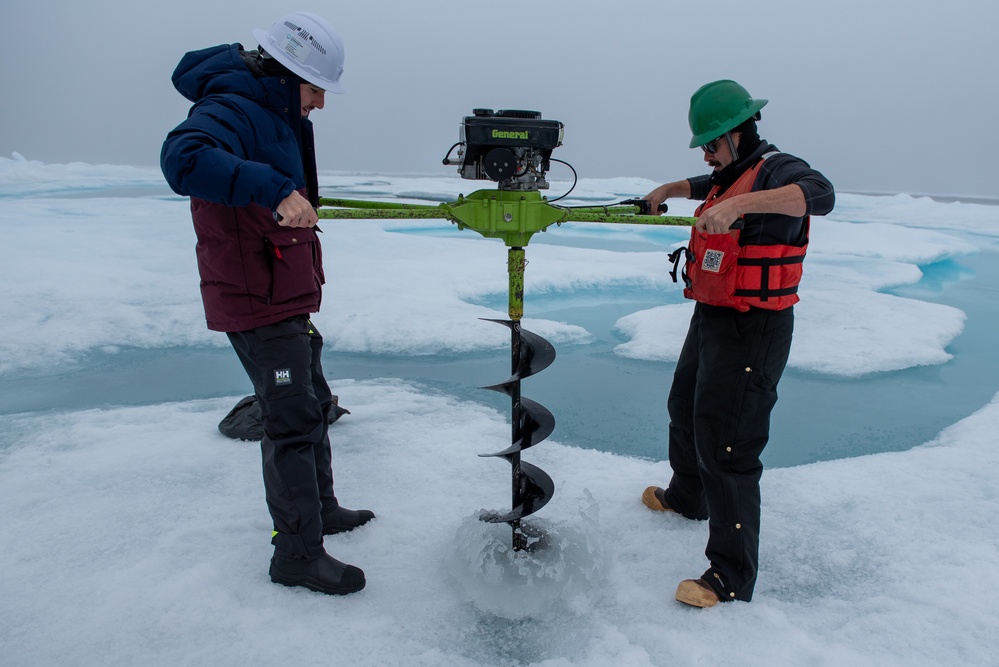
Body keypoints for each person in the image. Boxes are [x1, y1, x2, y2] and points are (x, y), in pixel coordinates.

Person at [160, 11, 374, 596]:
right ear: (284, 77)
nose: (320, 105)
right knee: (291, 420)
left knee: (314, 402)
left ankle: (322, 509)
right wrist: (276, 188)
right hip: (256, 296)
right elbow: (183, 159)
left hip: (284, 290)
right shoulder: (230, 108)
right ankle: (298, 556)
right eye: (315, 90)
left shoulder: (272, 110)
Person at [640, 80, 834, 608]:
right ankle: (688, 497)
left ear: (739, 131)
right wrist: (669, 190)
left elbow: (822, 194)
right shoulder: (731, 171)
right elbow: (709, 179)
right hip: (715, 314)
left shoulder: (779, 169)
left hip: (757, 328)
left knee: (728, 445)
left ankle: (729, 575)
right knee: (684, 405)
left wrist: (739, 207)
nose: (706, 152)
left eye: (712, 141)